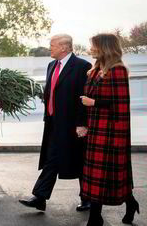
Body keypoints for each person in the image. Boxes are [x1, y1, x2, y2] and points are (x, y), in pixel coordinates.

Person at [19, 34, 92, 212]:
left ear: (64, 47)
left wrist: (82, 123)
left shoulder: (83, 66)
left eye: (52, 45)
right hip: (53, 122)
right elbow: (51, 92)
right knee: (52, 159)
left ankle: (88, 198)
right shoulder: (51, 65)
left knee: (79, 160)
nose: (49, 48)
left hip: (73, 124)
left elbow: (85, 97)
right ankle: (40, 197)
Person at [80, 33, 139, 226]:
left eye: (93, 46)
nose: (90, 50)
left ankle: (102, 215)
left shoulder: (117, 70)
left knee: (110, 176)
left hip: (111, 132)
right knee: (97, 176)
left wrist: (93, 102)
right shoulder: (95, 70)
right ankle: (98, 216)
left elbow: (121, 105)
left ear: (104, 48)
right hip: (95, 130)